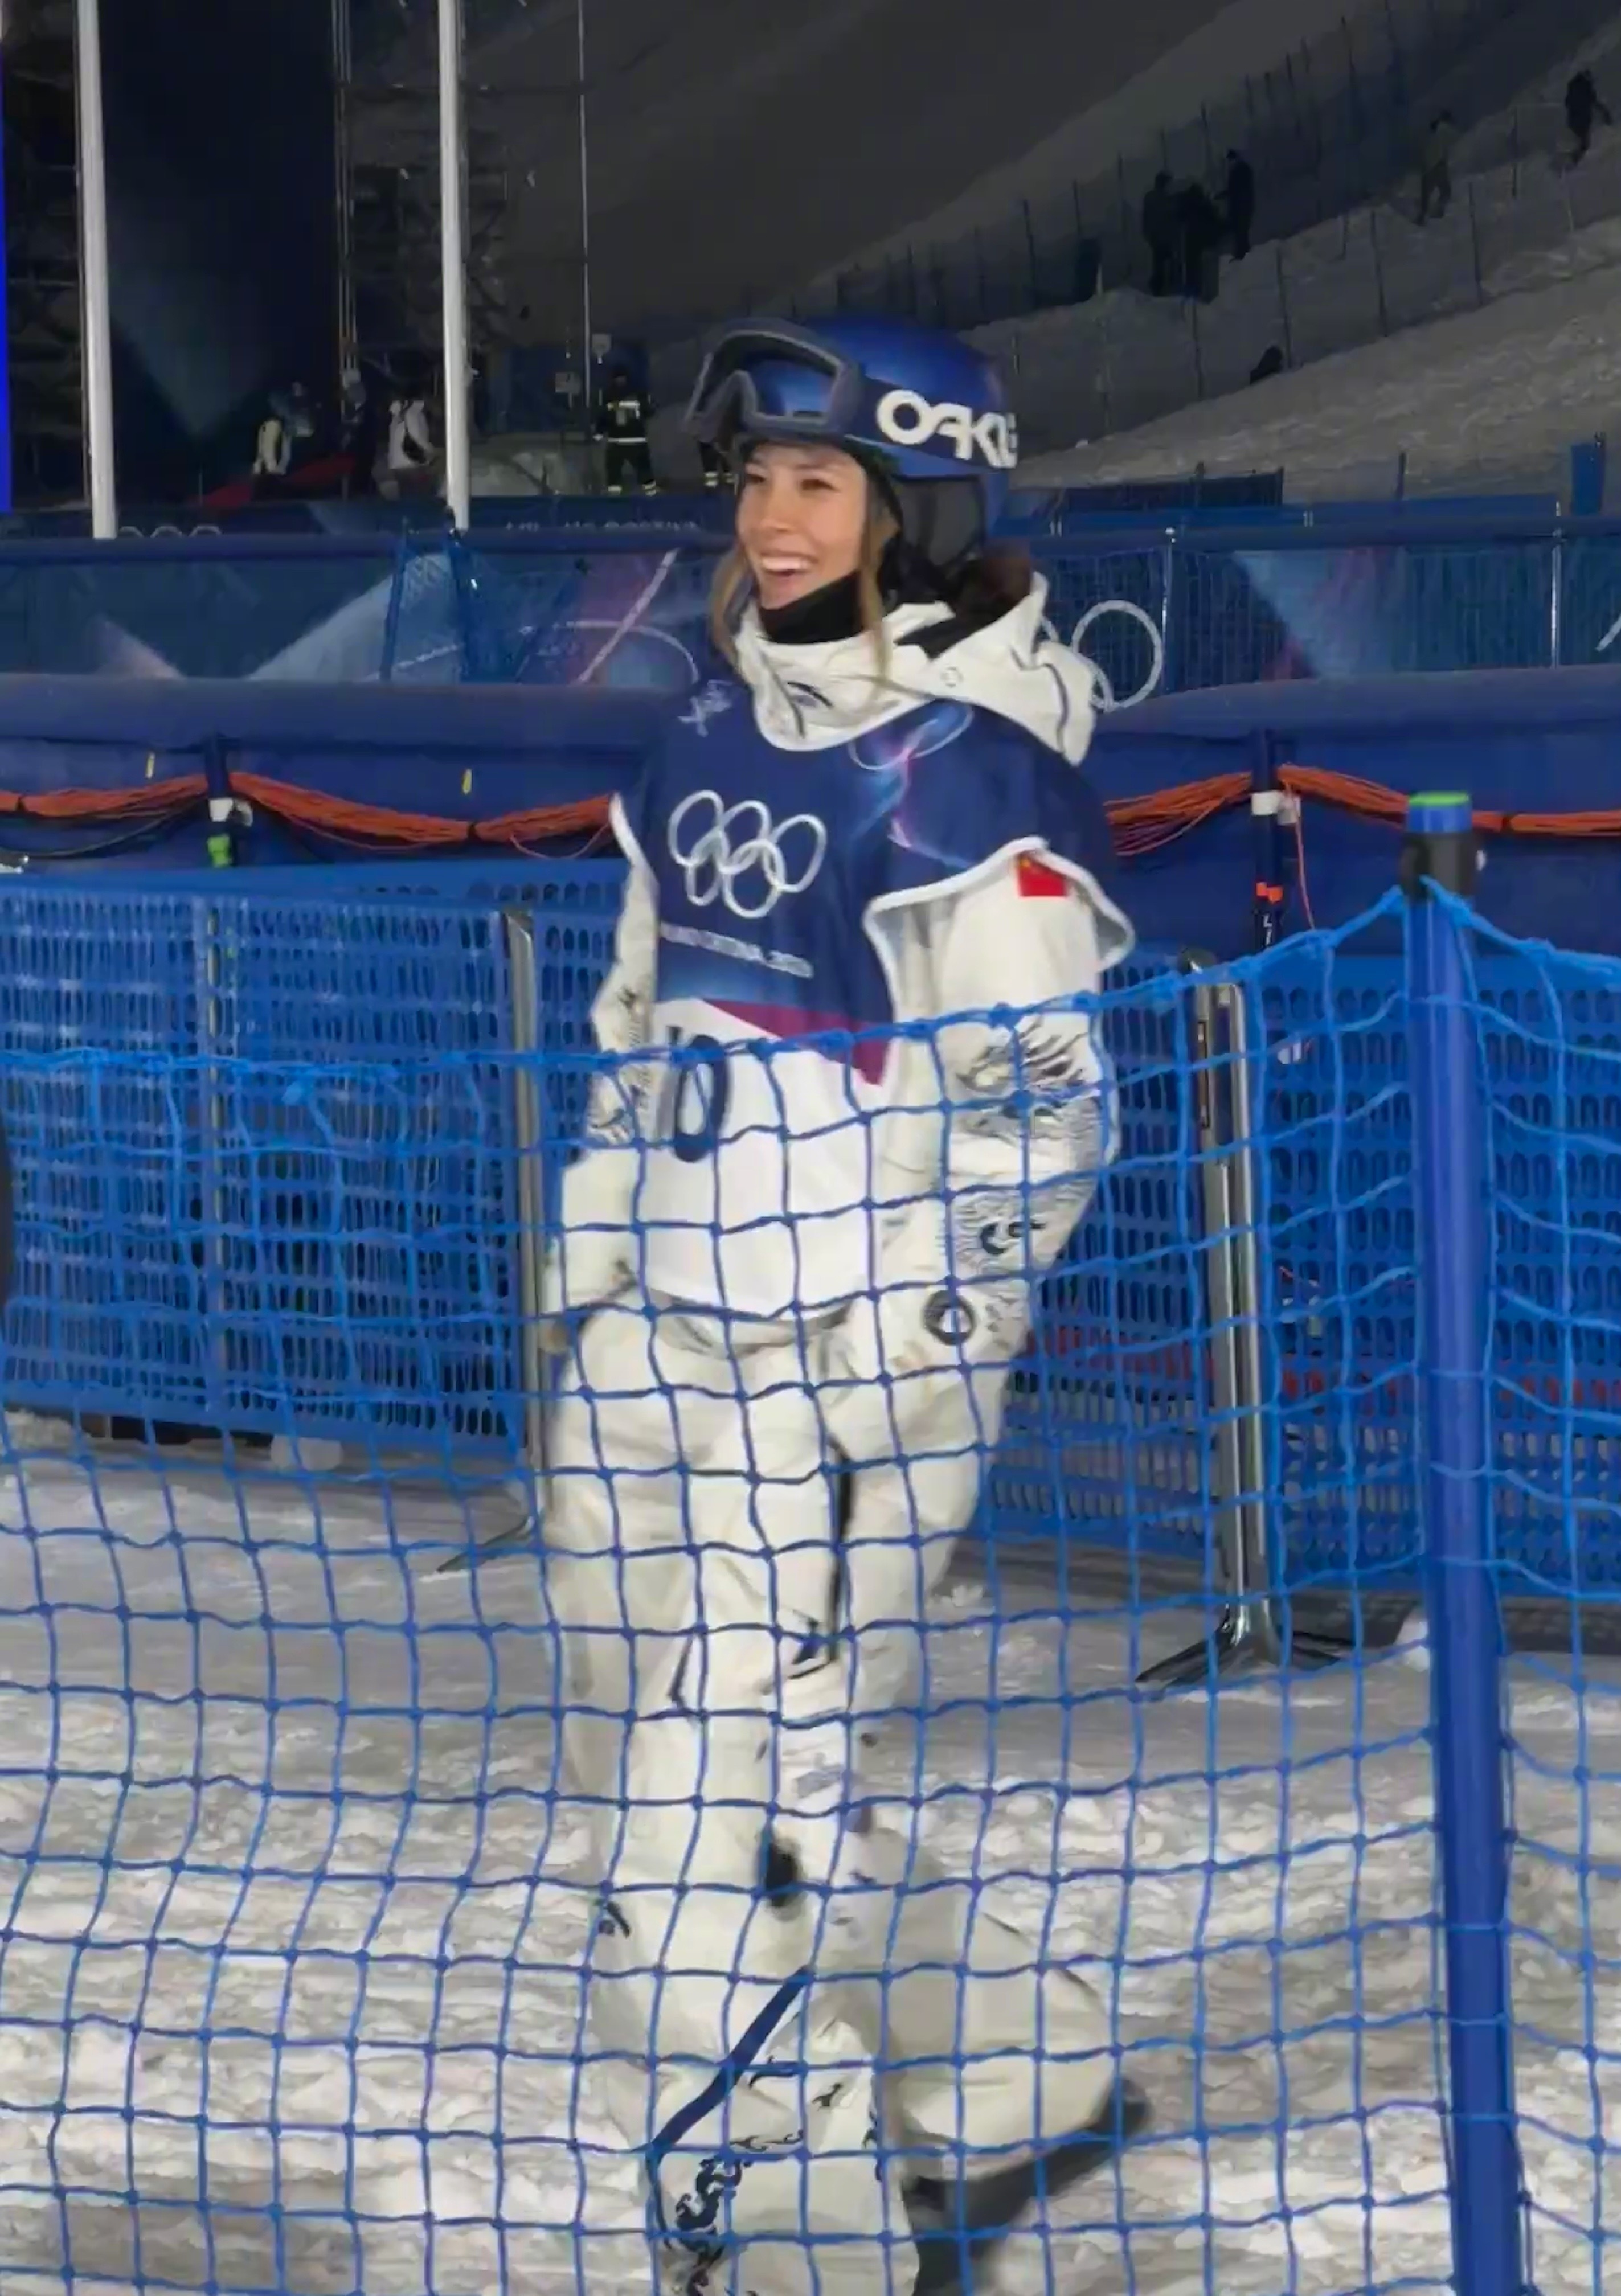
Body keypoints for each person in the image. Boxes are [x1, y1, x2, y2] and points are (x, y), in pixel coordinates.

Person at [539, 314, 1142, 2296]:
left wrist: (915, 1371)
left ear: (914, 507)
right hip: (666, 1365)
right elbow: (641, 1030)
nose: (767, 517)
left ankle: (786, 2251)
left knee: (696, 1875)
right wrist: (597, 1293)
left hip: (846, 1397)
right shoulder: (704, 733)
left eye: (814, 483)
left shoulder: (975, 780)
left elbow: (1040, 1122)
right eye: (751, 479)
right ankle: (1015, 2068)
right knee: (717, 1783)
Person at [601, 364, 657, 494]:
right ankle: (652, 498)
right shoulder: (639, 393)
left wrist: (599, 432)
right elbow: (649, 412)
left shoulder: (609, 393)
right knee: (645, 473)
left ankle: (615, 503)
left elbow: (604, 416)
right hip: (637, 441)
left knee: (614, 475)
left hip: (616, 442)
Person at [1141, 168, 1180, 295]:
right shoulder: (1167, 199)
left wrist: (1147, 234)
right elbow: (1172, 216)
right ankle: (1166, 287)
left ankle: (1158, 287)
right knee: (1170, 263)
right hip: (1165, 237)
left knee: (1159, 264)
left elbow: (1145, 218)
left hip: (1155, 237)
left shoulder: (1150, 197)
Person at [1566, 69, 1611, 165]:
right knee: (1584, 142)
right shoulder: (1584, 88)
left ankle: (1576, 159)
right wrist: (1605, 113)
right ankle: (1577, 162)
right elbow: (1593, 102)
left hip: (1575, 120)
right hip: (1581, 120)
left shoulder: (1575, 88)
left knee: (1583, 141)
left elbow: (1568, 103)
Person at [1417, 112, 1456, 224]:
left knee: (1426, 193)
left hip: (1429, 167)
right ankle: (1436, 212)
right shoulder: (1444, 129)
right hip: (1439, 166)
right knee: (1445, 192)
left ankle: (1423, 216)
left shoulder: (1432, 136)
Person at [1225, 148, 1256, 261]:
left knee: (1241, 230)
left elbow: (1234, 190)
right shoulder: (1244, 169)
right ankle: (1243, 251)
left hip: (1241, 206)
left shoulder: (1239, 171)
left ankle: (1242, 252)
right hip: (1244, 206)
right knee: (1241, 230)